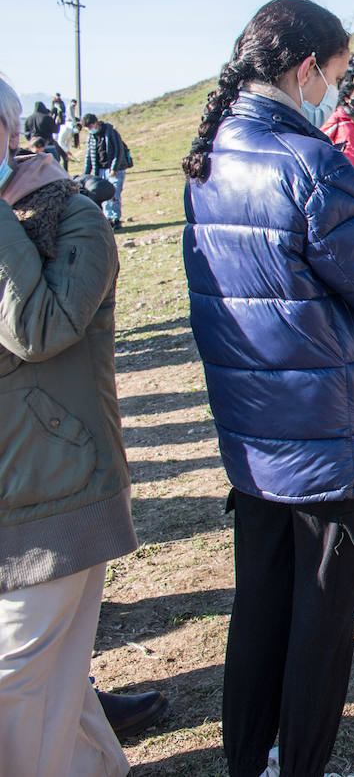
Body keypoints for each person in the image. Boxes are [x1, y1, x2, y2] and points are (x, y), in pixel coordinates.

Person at [181, 0, 354, 777]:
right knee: (319, 634)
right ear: (308, 71)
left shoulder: (215, 155)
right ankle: (299, 766)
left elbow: (282, 249)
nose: (337, 90)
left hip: (257, 438)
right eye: (336, 76)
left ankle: (247, 762)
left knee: (259, 617)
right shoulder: (309, 163)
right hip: (325, 446)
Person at [0, 75, 138, 777]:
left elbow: (39, 328)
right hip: (16, 489)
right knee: (55, 685)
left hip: (56, 494)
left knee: (15, 691)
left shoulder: (72, 216)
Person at [81, 113, 130, 228]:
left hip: (114, 170)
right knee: (103, 196)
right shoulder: (91, 138)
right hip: (100, 170)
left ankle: (116, 218)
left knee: (114, 195)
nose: (89, 130)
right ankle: (107, 219)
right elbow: (89, 156)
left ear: (95, 123)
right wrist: (85, 175)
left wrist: (114, 167)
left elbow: (119, 151)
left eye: (89, 127)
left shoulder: (111, 133)